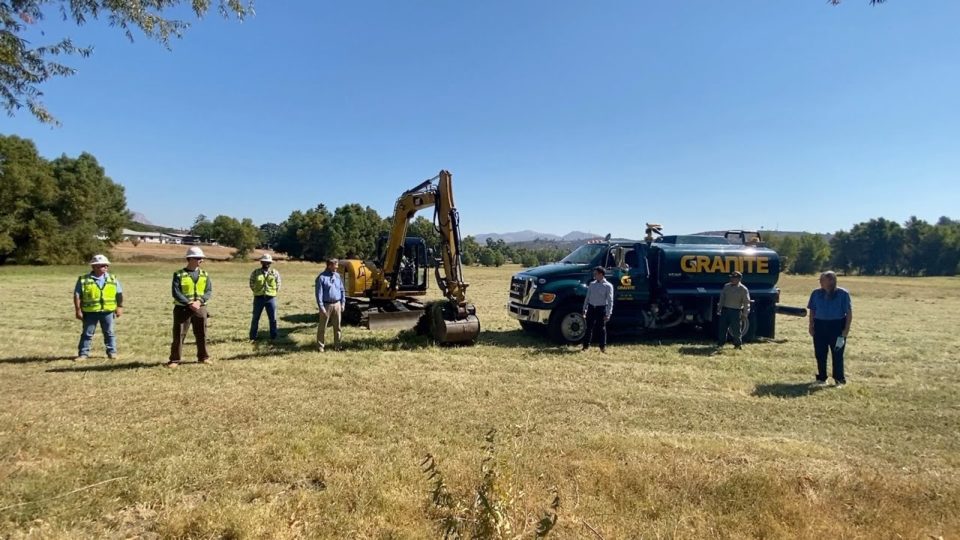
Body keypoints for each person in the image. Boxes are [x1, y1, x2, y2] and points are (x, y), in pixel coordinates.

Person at [166, 247, 213, 368]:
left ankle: (203, 357)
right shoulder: (178, 274)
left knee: (202, 334)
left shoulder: (205, 274)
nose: (201, 260)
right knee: (179, 334)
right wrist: (189, 303)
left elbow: (208, 291)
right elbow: (176, 292)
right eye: (198, 258)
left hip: (200, 308)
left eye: (202, 258)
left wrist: (200, 301)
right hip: (182, 309)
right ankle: (174, 359)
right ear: (190, 259)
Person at [73, 254, 123, 361]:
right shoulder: (83, 280)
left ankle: (112, 352)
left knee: (109, 333)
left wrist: (119, 307)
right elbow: (77, 295)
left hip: (108, 311)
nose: (105, 267)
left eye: (106, 265)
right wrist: (78, 310)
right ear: (94, 267)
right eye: (102, 265)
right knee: (87, 334)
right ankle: (83, 354)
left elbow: (119, 294)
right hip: (90, 312)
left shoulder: (112, 279)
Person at [807, 270, 853, 388]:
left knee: (837, 353)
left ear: (831, 281)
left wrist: (846, 329)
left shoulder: (843, 294)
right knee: (820, 353)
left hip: (837, 326)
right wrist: (811, 325)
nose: (820, 282)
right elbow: (812, 310)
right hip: (820, 325)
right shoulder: (816, 293)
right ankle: (822, 378)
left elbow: (848, 312)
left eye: (823, 280)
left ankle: (839, 380)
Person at [315, 258, 345, 352]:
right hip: (326, 305)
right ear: (329, 266)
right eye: (335, 266)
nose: (336, 268)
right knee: (322, 327)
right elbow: (318, 294)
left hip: (337, 304)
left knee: (337, 327)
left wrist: (343, 303)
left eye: (337, 266)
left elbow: (342, 290)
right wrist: (321, 307)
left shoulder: (337, 276)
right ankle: (320, 346)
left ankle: (337, 345)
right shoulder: (321, 278)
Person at [249, 253, 281, 341]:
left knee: (273, 318)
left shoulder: (275, 273)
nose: (266, 264)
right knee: (255, 318)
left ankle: (273, 336)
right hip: (259, 298)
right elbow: (251, 283)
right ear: (261, 262)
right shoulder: (255, 273)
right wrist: (257, 291)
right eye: (265, 262)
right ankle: (253, 337)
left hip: (271, 298)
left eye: (268, 262)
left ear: (270, 263)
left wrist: (272, 292)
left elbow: (278, 284)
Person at [582, 266, 614, 352]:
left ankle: (602, 347)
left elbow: (610, 301)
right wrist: (584, 309)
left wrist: (608, 313)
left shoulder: (608, 286)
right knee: (588, 328)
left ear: (601, 274)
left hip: (601, 308)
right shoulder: (592, 284)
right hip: (592, 308)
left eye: (595, 274)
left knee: (601, 328)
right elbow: (587, 298)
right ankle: (585, 346)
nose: (594, 275)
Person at [716, 271, 750, 349]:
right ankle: (720, 343)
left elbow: (746, 302)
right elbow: (722, 298)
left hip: (736, 311)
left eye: (734, 278)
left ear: (739, 279)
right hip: (725, 310)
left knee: (736, 329)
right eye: (731, 277)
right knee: (722, 328)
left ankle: (737, 344)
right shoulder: (726, 286)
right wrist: (719, 308)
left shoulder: (743, 289)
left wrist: (745, 313)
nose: (732, 279)